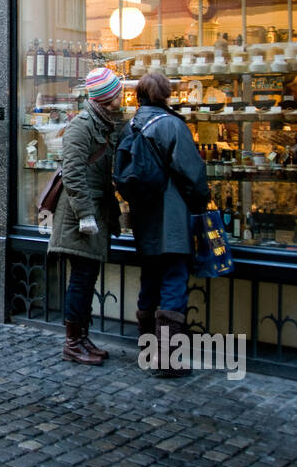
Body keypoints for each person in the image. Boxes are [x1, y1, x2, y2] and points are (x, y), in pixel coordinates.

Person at [122, 70, 210, 377]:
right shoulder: (172, 125)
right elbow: (192, 174)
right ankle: (167, 357)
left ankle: (147, 349)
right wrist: (203, 199)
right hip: (172, 214)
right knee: (174, 277)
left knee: (150, 277)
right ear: (166, 94)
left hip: (143, 215)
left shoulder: (131, 124)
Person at [47, 68, 124, 365]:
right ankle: (72, 342)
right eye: (117, 92)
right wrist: (85, 215)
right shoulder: (82, 125)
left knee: (87, 277)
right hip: (79, 217)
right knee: (80, 279)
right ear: (108, 97)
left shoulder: (103, 122)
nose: (121, 96)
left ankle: (81, 336)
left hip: (94, 212)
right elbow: (74, 173)